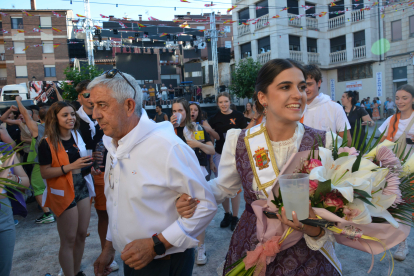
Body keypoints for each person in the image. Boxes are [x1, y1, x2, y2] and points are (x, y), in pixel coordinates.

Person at [177, 59, 342, 275]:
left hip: (308, 253)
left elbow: (337, 205)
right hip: (252, 244)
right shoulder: (240, 140)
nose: (298, 94)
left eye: (302, 87)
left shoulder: (326, 141)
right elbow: (224, 188)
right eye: (285, 87)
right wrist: (190, 199)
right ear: (262, 97)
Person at [88, 69, 217, 276]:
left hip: (164, 261)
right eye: (92, 106)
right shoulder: (113, 145)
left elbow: (206, 205)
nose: (94, 114)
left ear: (129, 106)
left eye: (102, 105)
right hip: (131, 260)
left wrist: (156, 244)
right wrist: (109, 247)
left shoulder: (168, 147)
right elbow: (117, 203)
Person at [39, 101, 95, 276]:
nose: (70, 118)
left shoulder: (77, 136)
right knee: (68, 239)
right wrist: (70, 166)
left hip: (81, 188)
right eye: (65, 115)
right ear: (55, 118)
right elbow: (45, 172)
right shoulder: (46, 143)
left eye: (72, 114)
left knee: (81, 235)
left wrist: (92, 162)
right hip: (63, 192)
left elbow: (81, 165)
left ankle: (76, 271)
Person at [75, 80, 119, 272]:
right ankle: (75, 263)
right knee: (85, 220)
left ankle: (110, 252)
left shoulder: (108, 113)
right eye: (86, 95)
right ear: (79, 97)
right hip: (85, 173)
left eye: (93, 95)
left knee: (111, 212)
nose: (90, 99)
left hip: (108, 169)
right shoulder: (72, 118)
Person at [171, 99, 215, 266]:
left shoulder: (196, 128)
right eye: (174, 110)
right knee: (178, 212)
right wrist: (169, 128)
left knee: (197, 211)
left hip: (197, 173)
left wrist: (198, 144)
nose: (177, 114)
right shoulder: (168, 129)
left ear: (187, 112)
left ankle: (200, 247)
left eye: (180, 110)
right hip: (176, 176)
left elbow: (211, 149)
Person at [378, 84, 414, 262]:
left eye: (405, 98)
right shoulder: (392, 120)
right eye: (398, 98)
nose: (400, 101)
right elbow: (380, 143)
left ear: (413, 99)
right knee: (401, 206)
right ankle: (402, 244)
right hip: (398, 170)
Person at [208, 92, 248, 231]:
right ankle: (227, 214)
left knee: (235, 187)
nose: (223, 104)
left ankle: (236, 216)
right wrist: (211, 160)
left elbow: (245, 134)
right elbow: (212, 139)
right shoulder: (214, 118)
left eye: (226, 101)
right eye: (220, 102)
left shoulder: (238, 116)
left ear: (230, 101)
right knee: (222, 184)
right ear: (217, 104)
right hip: (220, 155)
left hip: (236, 155)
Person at [14, 96, 56, 224]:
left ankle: (47, 213)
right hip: (59, 162)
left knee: (37, 187)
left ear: (39, 117)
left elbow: (25, 114)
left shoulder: (38, 128)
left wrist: (18, 101)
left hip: (41, 163)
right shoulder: (59, 127)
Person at [302, 64, 352, 145]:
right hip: (301, 157)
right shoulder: (296, 108)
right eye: (303, 86)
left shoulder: (335, 108)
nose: (306, 89)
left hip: (329, 157)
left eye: (309, 84)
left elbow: (347, 141)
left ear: (319, 83)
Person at [0, 144, 30, 276]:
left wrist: (13, 179)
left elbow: (25, 181)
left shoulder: (4, 149)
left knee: (4, 269)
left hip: (5, 217)